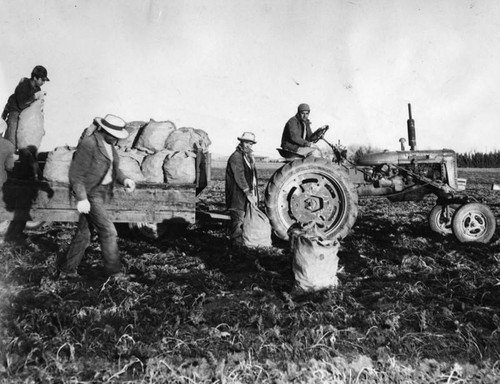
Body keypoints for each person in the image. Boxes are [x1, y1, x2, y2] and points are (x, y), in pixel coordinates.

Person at [56, 114, 136, 279]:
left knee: (84, 233)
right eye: (114, 136)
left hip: (102, 192)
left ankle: (67, 269)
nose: (116, 139)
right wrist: (82, 198)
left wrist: (125, 180)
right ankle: (114, 272)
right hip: (90, 193)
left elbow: (113, 169)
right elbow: (76, 175)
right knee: (108, 231)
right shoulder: (89, 144)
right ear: (104, 130)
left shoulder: (110, 146)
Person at [2, 65, 49, 149]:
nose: (43, 83)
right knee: (12, 141)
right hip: (15, 111)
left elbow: (36, 109)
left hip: (25, 114)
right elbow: (22, 104)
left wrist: (40, 126)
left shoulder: (37, 89)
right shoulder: (23, 86)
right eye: (42, 79)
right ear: (35, 78)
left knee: (25, 141)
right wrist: (34, 96)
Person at [225, 132, 259, 247]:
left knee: (242, 219)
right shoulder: (236, 157)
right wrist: (247, 192)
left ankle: (241, 244)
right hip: (237, 194)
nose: (248, 145)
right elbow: (239, 176)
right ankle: (236, 247)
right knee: (238, 219)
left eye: (251, 143)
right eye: (246, 143)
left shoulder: (246, 157)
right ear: (241, 142)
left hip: (242, 195)